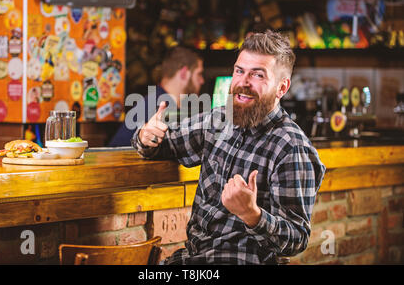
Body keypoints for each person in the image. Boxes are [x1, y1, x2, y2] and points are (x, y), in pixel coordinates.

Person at [131, 30, 326, 264]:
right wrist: (146, 136)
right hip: (195, 258)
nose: (243, 82)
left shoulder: (291, 147)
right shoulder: (218, 120)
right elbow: (163, 144)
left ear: (282, 88)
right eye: (239, 71)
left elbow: (297, 239)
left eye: (258, 75)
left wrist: (252, 215)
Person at [108, 46, 204, 146]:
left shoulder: (157, 99)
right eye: (199, 74)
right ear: (184, 73)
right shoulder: (160, 106)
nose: (202, 81)